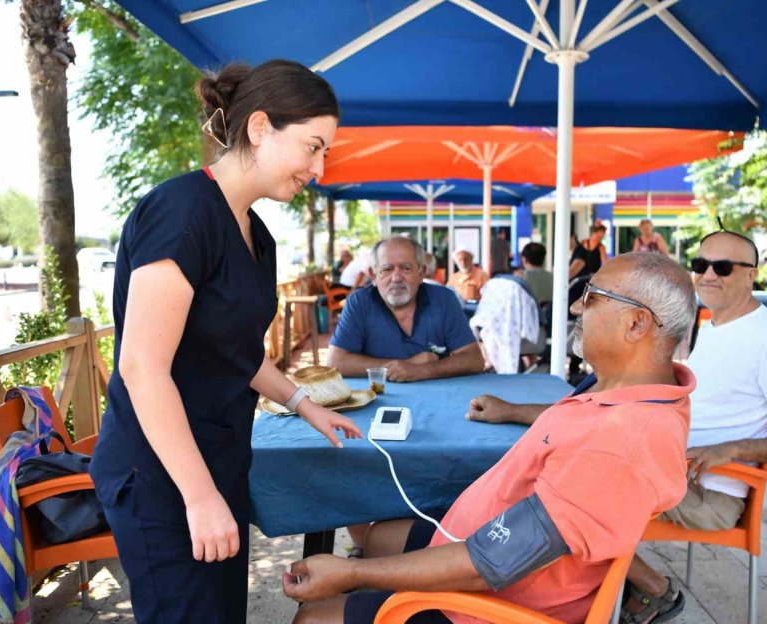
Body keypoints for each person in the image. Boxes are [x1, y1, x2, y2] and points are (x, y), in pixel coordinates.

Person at [283, 252, 699, 624]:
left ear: (636, 323)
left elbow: (486, 565)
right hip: (489, 546)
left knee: (315, 617)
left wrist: (351, 573)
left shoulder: (618, 444)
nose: (575, 305)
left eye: (591, 297)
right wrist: (514, 411)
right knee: (375, 539)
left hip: (494, 603)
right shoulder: (630, 394)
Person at [89, 60, 362, 624]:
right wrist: (198, 495)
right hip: (161, 476)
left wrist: (304, 404)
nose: (320, 167)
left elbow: (233, 350)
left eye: (325, 153)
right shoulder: (182, 212)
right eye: (313, 147)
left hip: (215, 461)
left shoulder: (255, 232)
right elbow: (142, 367)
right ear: (260, 127)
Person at [469, 233, 767, 624]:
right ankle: (599, 589)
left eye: (722, 267)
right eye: (700, 264)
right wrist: (517, 411)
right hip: (666, 463)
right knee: (560, 471)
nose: (707, 274)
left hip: (709, 489)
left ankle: (639, 591)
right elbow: (613, 408)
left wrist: (730, 450)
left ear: (751, 275)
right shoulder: (714, 324)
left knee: (573, 490)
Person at [327, 236, 485, 382]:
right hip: (378, 398)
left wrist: (423, 370)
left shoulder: (443, 300)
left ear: (421, 272)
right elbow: (335, 362)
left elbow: (474, 360)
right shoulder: (360, 302)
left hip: (438, 396)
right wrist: (408, 364)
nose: (396, 278)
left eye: (406, 268)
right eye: (387, 269)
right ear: (373, 276)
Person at [566, 222, 608, 384]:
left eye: (603, 234)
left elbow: (605, 264)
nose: (601, 237)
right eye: (600, 233)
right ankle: (573, 361)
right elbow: (575, 266)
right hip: (576, 288)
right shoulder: (582, 247)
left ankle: (576, 364)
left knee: (586, 324)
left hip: (589, 290)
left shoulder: (601, 248)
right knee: (574, 322)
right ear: (594, 233)